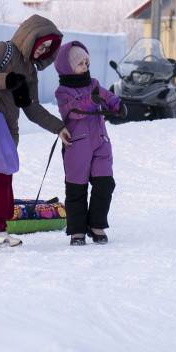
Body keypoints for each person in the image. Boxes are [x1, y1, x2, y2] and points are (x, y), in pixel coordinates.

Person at [0, 15, 72, 249]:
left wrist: (59, 127)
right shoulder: (3, 50)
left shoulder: (31, 71)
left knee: (4, 173)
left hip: (6, 124)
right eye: (40, 44)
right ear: (29, 37)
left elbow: (32, 108)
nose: (42, 50)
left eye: (47, 48)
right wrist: (9, 80)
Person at [54, 41, 121, 246]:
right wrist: (93, 101)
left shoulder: (94, 84)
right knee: (76, 188)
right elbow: (72, 110)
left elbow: (108, 97)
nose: (85, 66)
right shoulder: (62, 92)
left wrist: (118, 105)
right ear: (68, 67)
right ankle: (77, 231)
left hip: (100, 141)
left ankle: (96, 224)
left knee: (105, 183)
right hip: (77, 145)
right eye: (80, 63)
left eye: (86, 62)